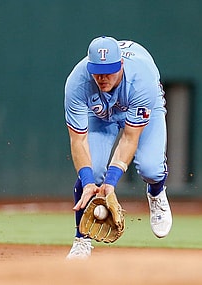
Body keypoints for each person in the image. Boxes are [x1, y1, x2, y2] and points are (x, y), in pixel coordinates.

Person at [64, 36, 172, 259]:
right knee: (91, 172)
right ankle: (81, 240)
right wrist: (88, 183)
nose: (102, 78)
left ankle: (156, 193)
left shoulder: (141, 81)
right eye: (97, 71)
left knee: (151, 169)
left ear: (121, 64)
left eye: (110, 70)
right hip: (101, 117)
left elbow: (130, 138)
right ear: (89, 66)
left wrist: (110, 183)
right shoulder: (77, 82)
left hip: (141, 108)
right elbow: (78, 141)